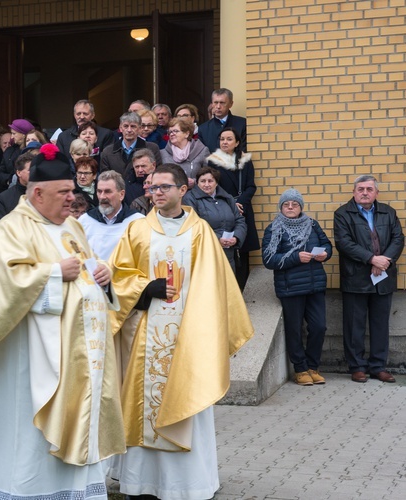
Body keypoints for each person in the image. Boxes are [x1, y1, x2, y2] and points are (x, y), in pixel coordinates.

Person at [0, 144, 125, 499]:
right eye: (64, 192)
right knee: (26, 440)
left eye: (73, 190)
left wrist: (102, 275)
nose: (73, 198)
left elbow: (85, 270)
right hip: (26, 363)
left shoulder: (73, 227)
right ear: (37, 193)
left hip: (75, 360)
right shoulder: (13, 229)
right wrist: (53, 273)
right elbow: (1, 286)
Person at [109, 164, 254, 498]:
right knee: (142, 405)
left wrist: (207, 330)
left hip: (189, 335)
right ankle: (140, 483)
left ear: (182, 189)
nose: (157, 193)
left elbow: (216, 285)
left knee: (188, 399)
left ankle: (189, 484)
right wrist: (146, 288)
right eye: (153, 188)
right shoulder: (136, 231)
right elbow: (119, 276)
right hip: (145, 336)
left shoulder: (201, 231)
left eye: (164, 187)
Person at [334, 175, 404, 384]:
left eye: (369, 189)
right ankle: (356, 367)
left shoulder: (388, 212)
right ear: (354, 192)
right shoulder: (342, 214)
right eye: (361, 189)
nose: (365, 193)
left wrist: (384, 262)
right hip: (355, 278)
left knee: (380, 324)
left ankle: (378, 367)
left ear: (376, 192)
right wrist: (372, 259)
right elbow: (344, 243)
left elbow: (398, 238)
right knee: (354, 326)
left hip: (383, 277)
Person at [262, 189, 331, 386]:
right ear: (281, 207)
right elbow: (268, 259)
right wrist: (295, 257)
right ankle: (300, 370)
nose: (290, 207)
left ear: (301, 206)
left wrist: (325, 253)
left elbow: (327, 244)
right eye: (286, 204)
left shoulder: (312, 224)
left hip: (315, 285)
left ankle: (312, 367)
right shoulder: (274, 229)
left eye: (294, 204)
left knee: (319, 327)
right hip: (290, 288)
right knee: (294, 330)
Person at [206, 127, 259, 290]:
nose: (225, 142)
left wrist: (241, 202)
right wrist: (231, 203)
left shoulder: (245, 161)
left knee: (243, 249)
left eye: (229, 139)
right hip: (224, 207)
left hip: (243, 207)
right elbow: (214, 185)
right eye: (222, 139)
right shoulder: (213, 161)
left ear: (236, 143)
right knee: (227, 247)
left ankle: (242, 288)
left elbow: (251, 186)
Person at [182, 166, 247, 273]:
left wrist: (236, 237)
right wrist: (217, 239)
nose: (206, 184)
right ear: (197, 182)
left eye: (210, 181)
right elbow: (194, 225)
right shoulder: (190, 199)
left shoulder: (227, 197)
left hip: (228, 253)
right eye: (202, 181)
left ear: (216, 183)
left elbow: (239, 220)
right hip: (205, 254)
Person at [78, 170, 143, 261]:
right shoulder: (85, 220)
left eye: (107, 192)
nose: (102, 197)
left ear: (121, 194)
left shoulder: (137, 221)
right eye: (99, 191)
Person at [100, 112, 160, 178]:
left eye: (133, 126)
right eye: (126, 126)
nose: (129, 130)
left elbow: (158, 173)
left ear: (139, 128)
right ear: (120, 128)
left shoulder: (152, 148)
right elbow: (105, 178)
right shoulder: (108, 151)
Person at [159, 117, 210, 188]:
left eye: (176, 131)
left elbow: (209, 175)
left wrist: (195, 181)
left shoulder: (202, 151)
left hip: (195, 194)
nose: (172, 134)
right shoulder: (162, 153)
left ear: (187, 134)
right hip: (171, 195)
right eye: (170, 132)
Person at [198, 88, 247, 153]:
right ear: (212, 104)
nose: (218, 106)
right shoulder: (203, 129)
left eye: (222, 103)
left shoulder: (242, 124)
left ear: (231, 104)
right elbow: (202, 156)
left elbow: (244, 151)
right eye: (215, 102)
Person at [0, 151, 33, 225]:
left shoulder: (44, 194)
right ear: (19, 173)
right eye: (30, 170)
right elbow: (0, 227)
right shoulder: (4, 198)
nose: (34, 172)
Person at [0, 119, 34, 191]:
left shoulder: (32, 151)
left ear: (23, 135)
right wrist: (10, 180)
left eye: (14, 133)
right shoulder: (9, 151)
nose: (12, 137)